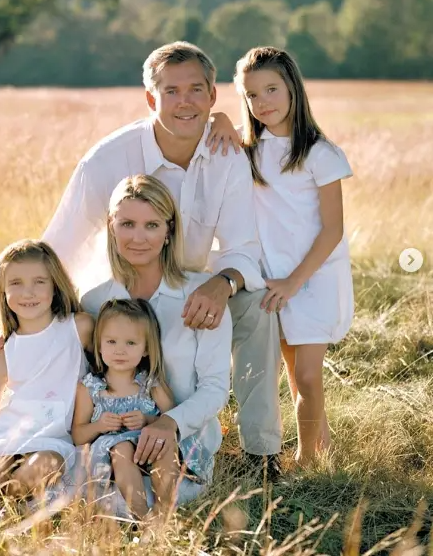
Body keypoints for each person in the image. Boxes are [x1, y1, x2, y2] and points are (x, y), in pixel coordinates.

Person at [40, 41, 283, 477]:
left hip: (199, 286)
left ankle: (260, 453)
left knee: (259, 310)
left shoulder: (228, 156)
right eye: (171, 91)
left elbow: (243, 248)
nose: (184, 102)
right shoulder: (108, 159)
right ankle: (59, 432)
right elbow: (58, 248)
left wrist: (222, 282)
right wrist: (17, 327)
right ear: (151, 98)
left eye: (196, 90)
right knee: (76, 327)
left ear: (212, 96)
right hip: (124, 290)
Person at [209, 46, 354, 465]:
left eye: (272, 89)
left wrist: (295, 282)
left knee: (308, 375)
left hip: (313, 275)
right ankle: (321, 452)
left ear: (293, 88)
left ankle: (308, 464)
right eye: (252, 95)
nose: (263, 102)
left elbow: (333, 229)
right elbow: (214, 129)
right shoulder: (249, 148)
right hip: (273, 278)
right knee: (295, 375)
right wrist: (220, 117)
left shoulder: (319, 153)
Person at [80, 174, 232, 513]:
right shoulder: (94, 302)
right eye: (127, 224)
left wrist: (169, 422)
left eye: (151, 225)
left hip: (182, 444)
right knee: (111, 504)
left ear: (169, 231)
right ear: (111, 226)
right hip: (114, 449)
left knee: (163, 501)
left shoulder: (201, 294)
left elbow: (215, 387)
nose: (138, 237)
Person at [0, 240, 94, 500]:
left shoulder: (78, 328)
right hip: (4, 441)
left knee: (39, 470)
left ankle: (0, 501)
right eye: (16, 283)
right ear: (3, 291)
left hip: (52, 440)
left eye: (39, 282)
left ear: (55, 285)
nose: (28, 292)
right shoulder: (2, 356)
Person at [72, 298, 175, 520]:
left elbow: (173, 418)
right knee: (122, 448)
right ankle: (143, 516)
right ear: (99, 345)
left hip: (147, 448)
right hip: (113, 459)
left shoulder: (150, 383)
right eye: (111, 342)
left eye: (130, 343)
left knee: (163, 442)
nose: (120, 351)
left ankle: (165, 514)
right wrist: (99, 426)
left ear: (146, 349)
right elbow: (78, 435)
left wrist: (148, 420)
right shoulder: (90, 387)